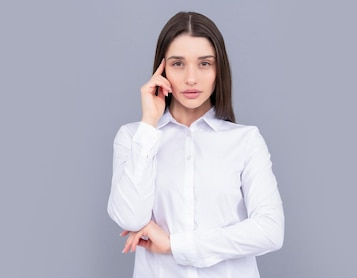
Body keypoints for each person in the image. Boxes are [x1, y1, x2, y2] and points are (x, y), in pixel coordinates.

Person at [107, 11, 284, 278]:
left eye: (204, 64)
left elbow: (270, 231)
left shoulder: (246, 140)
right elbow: (130, 218)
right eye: (178, 64)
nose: (191, 78)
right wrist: (149, 123)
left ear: (218, 69)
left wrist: (176, 245)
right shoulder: (134, 137)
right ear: (162, 69)